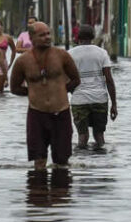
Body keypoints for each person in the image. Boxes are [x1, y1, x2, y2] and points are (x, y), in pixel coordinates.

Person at [10, 21, 81, 170]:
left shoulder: (62, 55)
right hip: (37, 114)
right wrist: (34, 92)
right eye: (42, 35)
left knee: (62, 162)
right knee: (39, 161)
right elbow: (14, 88)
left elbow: (76, 79)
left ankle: (60, 191)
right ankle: (39, 191)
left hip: (61, 112)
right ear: (32, 37)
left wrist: (61, 90)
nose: (47, 37)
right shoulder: (23, 61)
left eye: (48, 34)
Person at [69, 25, 118, 149]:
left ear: (77, 37)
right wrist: (114, 104)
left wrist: (70, 92)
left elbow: (65, 79)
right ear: (93, 37)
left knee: (82, 136)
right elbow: (109, 80)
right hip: (99, 99)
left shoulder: (70, 54)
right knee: (99, 135)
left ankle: (81, 162)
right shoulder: (101, 53)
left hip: (79, 100)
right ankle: (100, 162)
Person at [0, 18, 17, 93]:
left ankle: (1, 104)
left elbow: (14, 50)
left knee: (0, 90)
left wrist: (11, 63)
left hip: (3, 65)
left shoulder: (7, 37)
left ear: (2, 26)